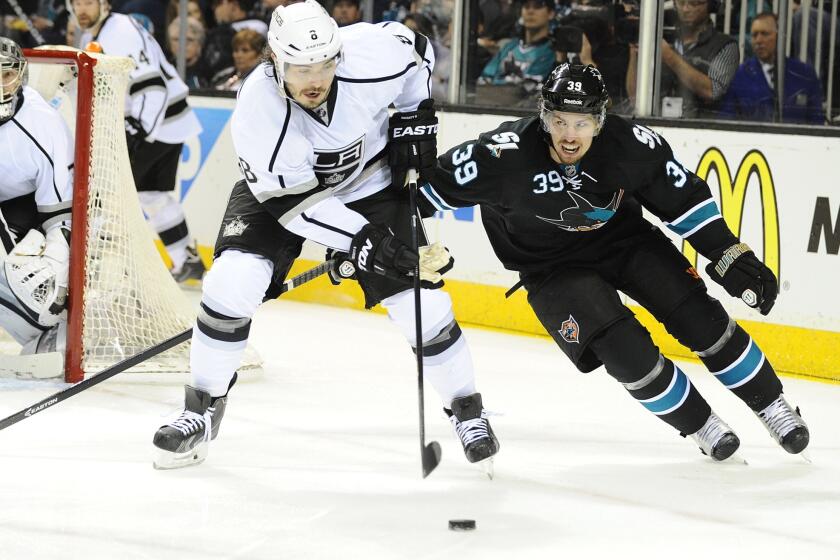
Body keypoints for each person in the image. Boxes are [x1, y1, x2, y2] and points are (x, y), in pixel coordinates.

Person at [151, 0, 499, 470]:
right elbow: (298, 208)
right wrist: (364, 241)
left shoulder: (373, 54)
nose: (314, 79)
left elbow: (419, 51)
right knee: (232, 281)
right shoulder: (258, 109)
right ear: (274, 59)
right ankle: (202, 408)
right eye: (299, 68)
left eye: (323, 65)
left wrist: (417, 113)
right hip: (287, 194)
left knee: (424, 303)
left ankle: (466, 410)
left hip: (372, 180)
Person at [421, 62, 810, 461]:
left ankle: (772, 405)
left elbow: (684, 199)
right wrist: (394, 238)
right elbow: (420, 192)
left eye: (581, 123)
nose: (569, 136)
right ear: (544, 115)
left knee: (702, 321)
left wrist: (727, 252)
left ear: (600, 119)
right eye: (559, 121)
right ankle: (701, 424)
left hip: (625, 243)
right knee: (627, 353)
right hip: (551, 268)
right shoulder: (501, 155)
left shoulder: (631, 145)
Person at [69, 0, 206, 282]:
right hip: (168, 121)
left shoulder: (118, 30)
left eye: (88, 3)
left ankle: (97, 270)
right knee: (150, 194)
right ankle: (186, 259)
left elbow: (151, 86)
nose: (81, 9)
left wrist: (136, 131)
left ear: (104, 5)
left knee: (106, 197)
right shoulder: (98, 32)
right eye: (76, 3)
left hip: (156, 121)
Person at [0, 37, 72, 365]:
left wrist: (59, 261)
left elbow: (60, 214)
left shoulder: (42, 124)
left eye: (5, 74)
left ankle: (45, 333)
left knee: (23, 279)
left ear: (20, 75)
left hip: (23, 207)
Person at [626, 0, 738, 118]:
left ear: (711, 6)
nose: (685, 9)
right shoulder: (663, 38)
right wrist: (635, 52)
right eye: (681, 3)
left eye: (694, 4)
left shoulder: (726, 45)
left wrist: (669, 56)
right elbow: (635, 97)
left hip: (701, 129)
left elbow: (713, 91)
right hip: (659, 123)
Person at [719, 13, 823, 125]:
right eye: (754, 35)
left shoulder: (805, 74)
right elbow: (727, 122)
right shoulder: (738, 76)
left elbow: (817, 123)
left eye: (765, 34)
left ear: (779, 36)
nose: (758, 40)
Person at [202, 0, 268, 84]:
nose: (238, 56)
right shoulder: (223, 79)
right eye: (236, 50)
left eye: (245, 50)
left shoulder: (258, 26)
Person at [167, 16, 209, 89]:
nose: (182, 44)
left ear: (199, 44)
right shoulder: (166, 70)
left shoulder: (208, 74)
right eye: (176, 39)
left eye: (189, 39)